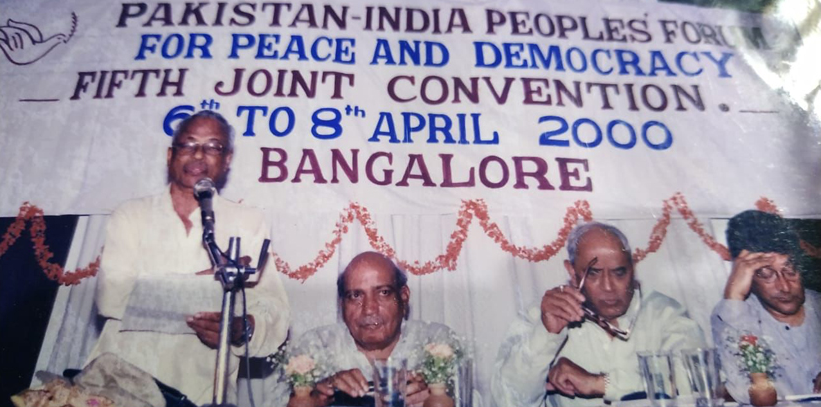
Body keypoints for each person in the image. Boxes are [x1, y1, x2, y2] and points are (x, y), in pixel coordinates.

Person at [87, 110, 290, 404]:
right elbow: (112, 298)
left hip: (204, 390)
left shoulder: (248, 222)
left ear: (227, 159)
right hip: (120, 387)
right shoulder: (132, 214)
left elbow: (276, 313)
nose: (198, 155)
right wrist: (203, 286)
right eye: (189, 144)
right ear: (170, 155)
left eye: (212, 147)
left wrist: (239, 328)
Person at [492, 222, 706, 407]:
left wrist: (600, 384)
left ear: (632, 269)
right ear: (572, 273)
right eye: (594, 273)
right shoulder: (543, 315)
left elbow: (697, 384)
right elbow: (506, 400)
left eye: (619, 272)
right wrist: (547, 336)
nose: (609, 287)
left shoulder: (665, 314)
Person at [265, 251, 462, 407]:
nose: (369, 309)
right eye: (355, 296)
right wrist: (315, 393)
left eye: (383, 293)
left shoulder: (435, 342)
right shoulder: (315, 346)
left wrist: (438, 395)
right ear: (342, 304)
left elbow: (472, 399)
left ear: (403, 296)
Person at [712, 210, 821, 401]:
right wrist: (734, 297)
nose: (785, 286)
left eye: (791, 270)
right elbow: (743, 391)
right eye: (766, 274)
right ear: (746, 276)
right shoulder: (733, 315)